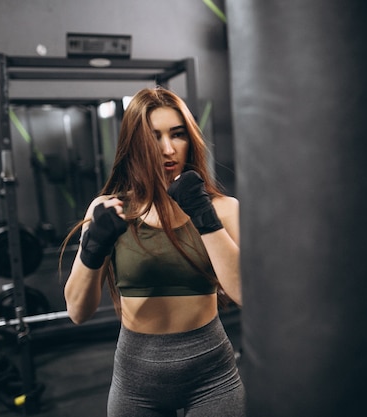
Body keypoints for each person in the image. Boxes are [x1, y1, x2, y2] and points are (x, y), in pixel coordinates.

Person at [62, 86, 244, 416]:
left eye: (177, 135)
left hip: (211, 375)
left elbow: (246, 294)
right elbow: (77, 312)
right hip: (136, 379)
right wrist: (92, 248)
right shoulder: (109, 210)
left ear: (190, 140)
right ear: (134, 145)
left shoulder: (224, 208)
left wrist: (203, 216)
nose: (167, 149)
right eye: (153, 137)